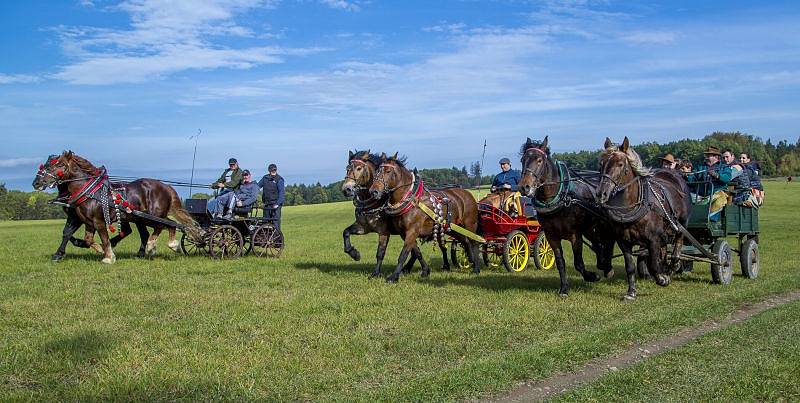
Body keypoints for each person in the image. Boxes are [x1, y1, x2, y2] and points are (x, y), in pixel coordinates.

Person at [686, 146, 734, 220]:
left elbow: (727, 178)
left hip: (716, 194)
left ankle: (710, 220)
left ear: (716, 157)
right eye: (706, 155)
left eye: (709, 156)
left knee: (720, 201)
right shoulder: (700, 167)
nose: (706, 157)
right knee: (685, 198)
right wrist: (686, 176)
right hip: (700, 196)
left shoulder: (724, 167)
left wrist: (716, 175)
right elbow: (692, 179)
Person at [258, 163, 285, 230]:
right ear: (269, 170)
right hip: (267, 205)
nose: (273, 171)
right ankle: (266, 240)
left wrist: (277, 204)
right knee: (265, 224)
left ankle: (278, 239)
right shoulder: (265, 178)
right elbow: (257, 186)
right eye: (272, 170)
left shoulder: (279, 179)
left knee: (276, 224)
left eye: (274, 170)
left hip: (275, 205)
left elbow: (282, 193)